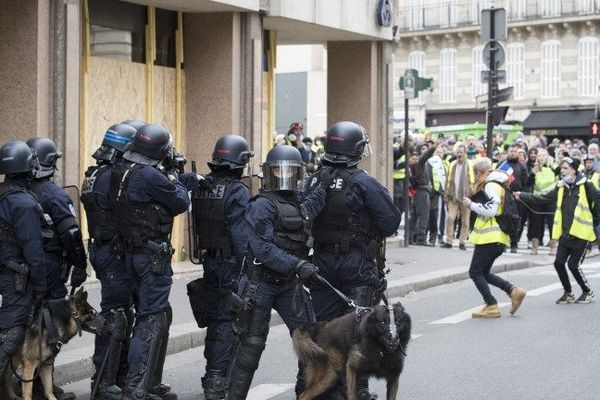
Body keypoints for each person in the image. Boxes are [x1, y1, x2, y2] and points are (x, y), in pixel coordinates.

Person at [305, 121, 401, 400]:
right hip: (357, 263)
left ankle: (317, 387)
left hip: (321, 263)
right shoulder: (363, 182)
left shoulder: (314, 179)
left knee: (324, 330)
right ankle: (357, 391)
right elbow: (390, 221)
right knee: (359, 331)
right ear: (356, 149)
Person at [227, 145, 329, 400]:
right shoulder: (261, 205)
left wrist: (324, 187)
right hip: (260, 284)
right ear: (268, 174)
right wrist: (297, 265)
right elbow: (262, 249)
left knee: (311, 339)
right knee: (251, 345)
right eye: (279, 173)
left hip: (288, 284)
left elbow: (308, 210)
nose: (284, 178)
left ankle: (306, 393)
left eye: (290, 173)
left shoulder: (297, 202)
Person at [109, 124, 190, 400]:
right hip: (151, 257)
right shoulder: (150, 176)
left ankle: (144, 383)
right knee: (150, 319)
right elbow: (179, 202)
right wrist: (176, 176)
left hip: (131, 253)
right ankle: (136, 386)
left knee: (149, 315)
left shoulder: (121, 170)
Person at [189, 135, 253, 400]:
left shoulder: (202, 185)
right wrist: (248, 265)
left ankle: (211, 374)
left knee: (217, 320)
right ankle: (217, 379)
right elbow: (240, 234)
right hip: (230, 263)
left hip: (210, 261)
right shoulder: (237, 190)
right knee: (229, 320)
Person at [81, 123, 138, 400]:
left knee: (121, 314)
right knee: (115, 315)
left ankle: (116, 377)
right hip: (112, 252)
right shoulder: (112, 177)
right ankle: (103, 382)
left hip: (103, 249)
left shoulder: (94, 174)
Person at [516, 157, 600, 304]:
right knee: (558, 263)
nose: (562, 171)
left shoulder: (586, 185)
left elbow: (598, 199)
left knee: (573, 265)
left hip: (581, 234)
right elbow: (543, 198)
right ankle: (568, 293)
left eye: (566, 168)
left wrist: (595, 217)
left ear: (574, 170)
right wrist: (523, 195)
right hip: (565, 234)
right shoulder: (560, 186)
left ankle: (587, 292)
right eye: (561, 168)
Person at [0, 141, 46, 386]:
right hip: (15, 281)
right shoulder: (24, 203)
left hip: (5, 275)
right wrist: (41, 286)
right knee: (11, 334)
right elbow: (34, 251)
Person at [26, 137, 88, 300]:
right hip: (49, 263)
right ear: (51, 161)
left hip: (19, 263)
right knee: (53, 310)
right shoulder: (55, 195)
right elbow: (72, 233)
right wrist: (80, 265)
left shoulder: (15, 193)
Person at [464, 160, 527, 318]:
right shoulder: (498, 184)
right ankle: (513, 291)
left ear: (481, 172)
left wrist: (471, 204)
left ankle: (491, 305)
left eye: (476, 174)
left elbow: (491, 210)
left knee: (475, 272)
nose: (476, 178)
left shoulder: (491, 184)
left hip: (489, 237)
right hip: (495, 238)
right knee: (483, 272)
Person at [525, 148, 557, 255]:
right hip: (537, 200)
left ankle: (553, 247)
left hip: (551, 200)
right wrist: (533, 173)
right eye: (540, 155)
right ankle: (535, 247)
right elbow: (528, 184)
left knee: (552, 223)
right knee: (536, 224)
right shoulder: (535, 169)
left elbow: (561, 174)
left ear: (547, 157)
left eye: (544, 155)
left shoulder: (553, 167)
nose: (542, 157)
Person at [442, 145, 474, 250]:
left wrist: (471, 192)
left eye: (461, 152)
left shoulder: (470, 164)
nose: (459, 154)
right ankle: (449, 241)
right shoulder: (452, 164)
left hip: (466, 197)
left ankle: (462, 241)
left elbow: (473, 181)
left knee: (465, 221)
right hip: (453, 196)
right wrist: (446, 193)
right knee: (451, 218)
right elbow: (448, 180)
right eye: (458, 152)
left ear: (465, 153)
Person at [409, 142, 437, 245]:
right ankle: (421, 238)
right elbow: (426, 156)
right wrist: (433, 147)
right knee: (423, 215)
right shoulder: (419, 163)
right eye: (414, 158)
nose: (416, 159)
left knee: (414, 216)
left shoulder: (411, 166)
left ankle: (410, 237)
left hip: (417, 191)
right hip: (422, 191)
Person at [505, 144, 529, 253]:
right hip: (504, 196)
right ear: (508, 151)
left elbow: (526, 183)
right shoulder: (502, 164)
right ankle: (503, 243)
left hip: (516, 197)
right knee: (503, 219)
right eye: (511, 150)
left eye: (515, 151)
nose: (513, 152)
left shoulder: (521, 166)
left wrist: (521, 194)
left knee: (515, 220)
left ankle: (514, 243)